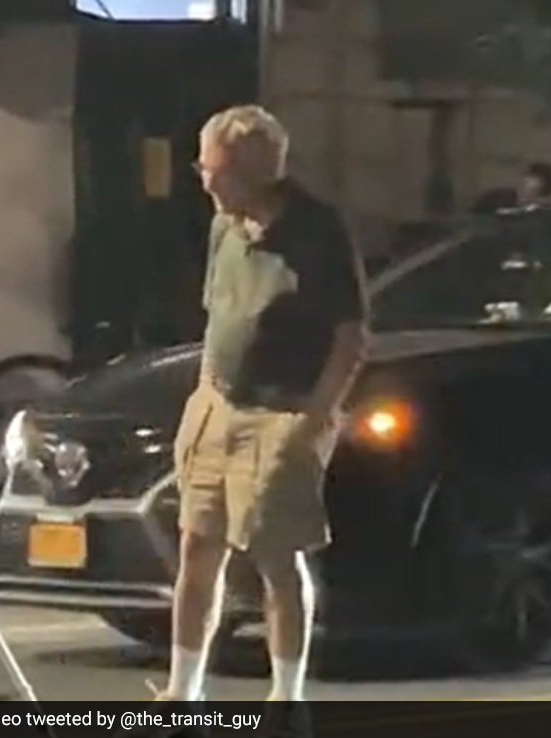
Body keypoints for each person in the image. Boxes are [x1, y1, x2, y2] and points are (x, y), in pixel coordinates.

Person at [154, 105, 369, 706]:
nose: (203, 178)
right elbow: (218, 316)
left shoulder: (318, 230)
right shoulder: (224, 226)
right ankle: (182, 691)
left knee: (275, 555)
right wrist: (202, 397)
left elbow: (350, 334)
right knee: (198, 543)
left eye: (213, 168)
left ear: (254, 173)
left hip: (283, 411)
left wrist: (316, 416)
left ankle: (286, 697)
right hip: (217, 403)